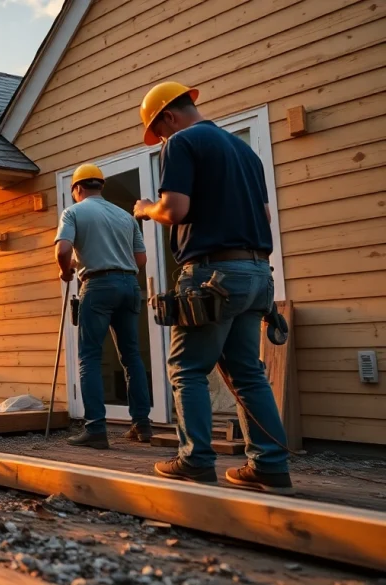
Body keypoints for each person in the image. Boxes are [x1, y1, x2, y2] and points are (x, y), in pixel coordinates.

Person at [133, 81, 294, 494]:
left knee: (187, 368)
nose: (163, 139)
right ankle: (271, 467)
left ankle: (195, 461)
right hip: (257, 274)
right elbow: (265, 218)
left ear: (168, 117)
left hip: (212, 276)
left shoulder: (182, 142)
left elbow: (175, 208)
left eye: (160, 131)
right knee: (247, 373)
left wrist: (146, 209)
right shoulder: (245, 152)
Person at [54, 163, 153, 450]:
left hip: (97, 287)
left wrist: (66, 271)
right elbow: (141, 260)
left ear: (78, 188)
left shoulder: (74, 212)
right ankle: (142, 424)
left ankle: (96, 429)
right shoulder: (125, 216)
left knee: (90, 358)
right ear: (101, 186)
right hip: (129, 286)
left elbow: (62, 250)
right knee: (131, 356)